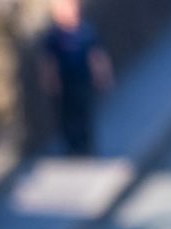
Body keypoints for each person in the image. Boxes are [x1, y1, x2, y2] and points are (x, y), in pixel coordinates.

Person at [38, 0, 113, 156]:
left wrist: (103, 76)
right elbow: (49, 62)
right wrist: (50, 81)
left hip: (82, 80)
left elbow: (96, 56)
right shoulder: (53, 36)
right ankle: (71, 146)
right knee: (67, 116)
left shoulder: (86, 31)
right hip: (64, 83)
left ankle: (85, 145)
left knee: (84, 113)